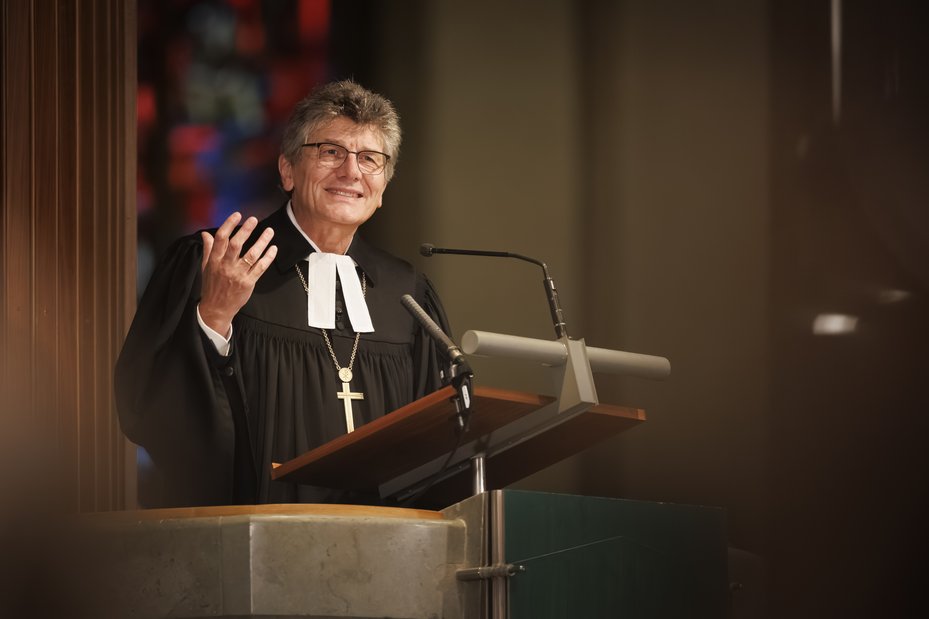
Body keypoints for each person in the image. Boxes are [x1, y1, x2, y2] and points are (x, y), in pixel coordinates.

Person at [116, 80, 451, 507]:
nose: (351, 172)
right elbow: (149, 411)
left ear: (383, 186)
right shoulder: (214, 260)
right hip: (251, 544)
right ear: (287, 170)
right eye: (331, 152)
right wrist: (214, 317)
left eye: (370, 159)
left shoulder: (407, 294)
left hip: (380, 547)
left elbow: (437, 445)